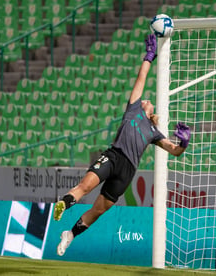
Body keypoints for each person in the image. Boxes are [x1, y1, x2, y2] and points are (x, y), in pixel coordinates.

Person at [53, 34, 191, 256]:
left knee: (99, 209)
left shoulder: (154, 132)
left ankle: (69, 234)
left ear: (152, 111)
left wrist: (184, 142)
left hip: (127, 171)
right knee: (85, 186)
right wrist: (149, 57)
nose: (144, 98)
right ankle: (64, 203)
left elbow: (174, 151)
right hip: (113, 156)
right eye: (143, 98)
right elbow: (141, 78)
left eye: (147, 100)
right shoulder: (133, 109)